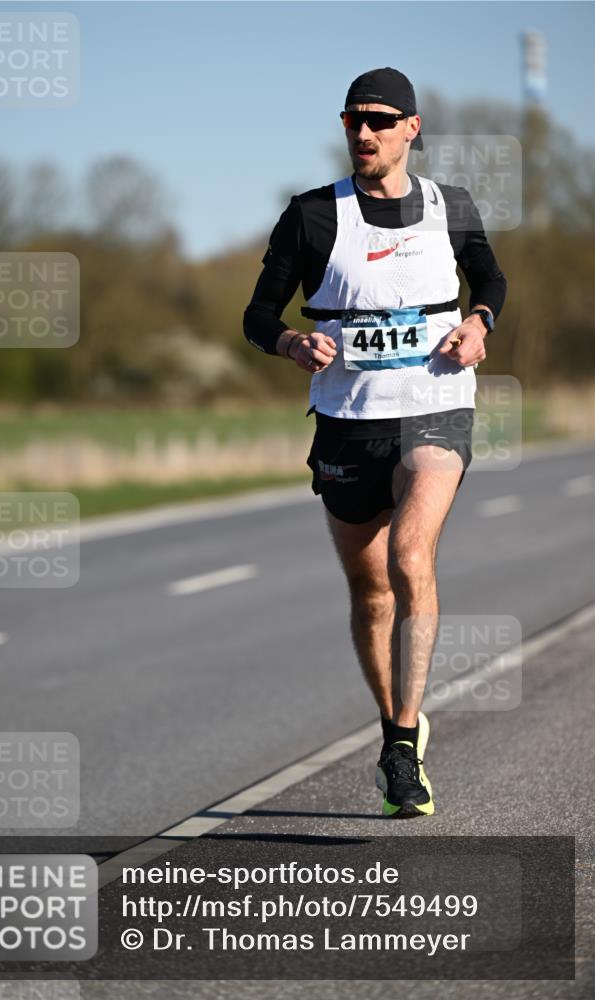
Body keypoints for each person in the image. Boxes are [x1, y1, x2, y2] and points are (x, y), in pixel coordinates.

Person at [243, 67, 507, 817]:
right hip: (346, 422)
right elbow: (257, 314)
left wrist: (479, 321)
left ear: (410, 129)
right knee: (369, 590)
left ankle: (398, 746)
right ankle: (398, 721)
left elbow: (487, 272)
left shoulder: (448, 207)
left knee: (408, 556)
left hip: (435, 407)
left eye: (379, 120)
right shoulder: (310, 217)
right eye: (352, 119)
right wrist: (291, 344)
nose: (362, 132)